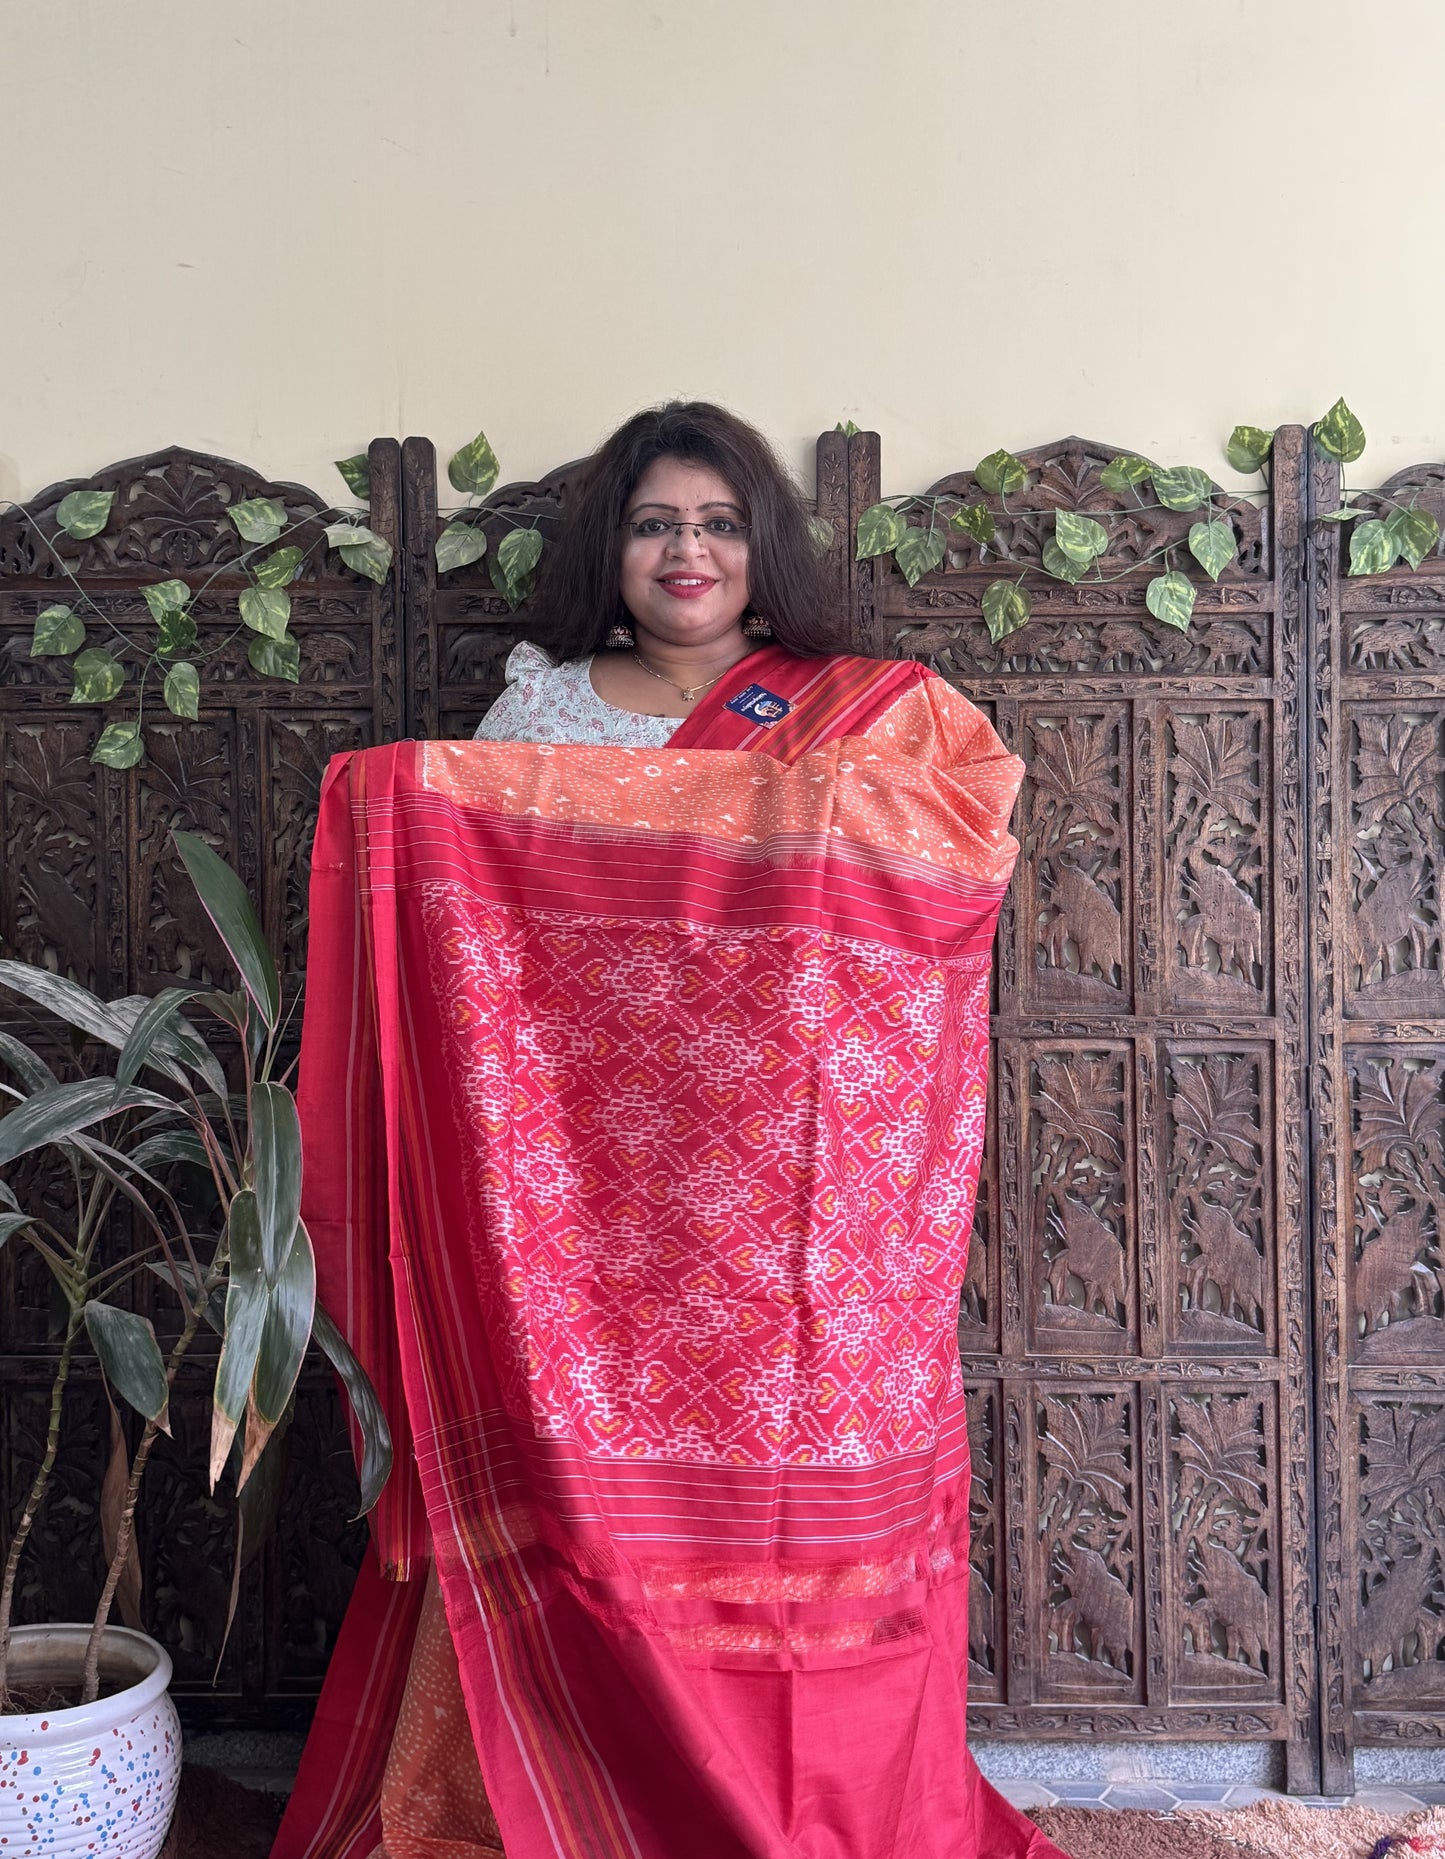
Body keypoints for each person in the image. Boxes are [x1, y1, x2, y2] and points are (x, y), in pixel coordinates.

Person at [275, 403, 1066, 1859]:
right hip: (580, 1199)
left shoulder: (875, 715)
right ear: (611, 550)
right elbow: (482, 939)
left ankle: (815, 1806)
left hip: (800, 1215)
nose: (685, 551)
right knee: (569, 1491)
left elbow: (950, 866)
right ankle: (563, 1800)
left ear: (760, 543)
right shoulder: (545, 714)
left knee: (801, 1496)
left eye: (713, 521)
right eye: (653, 524)